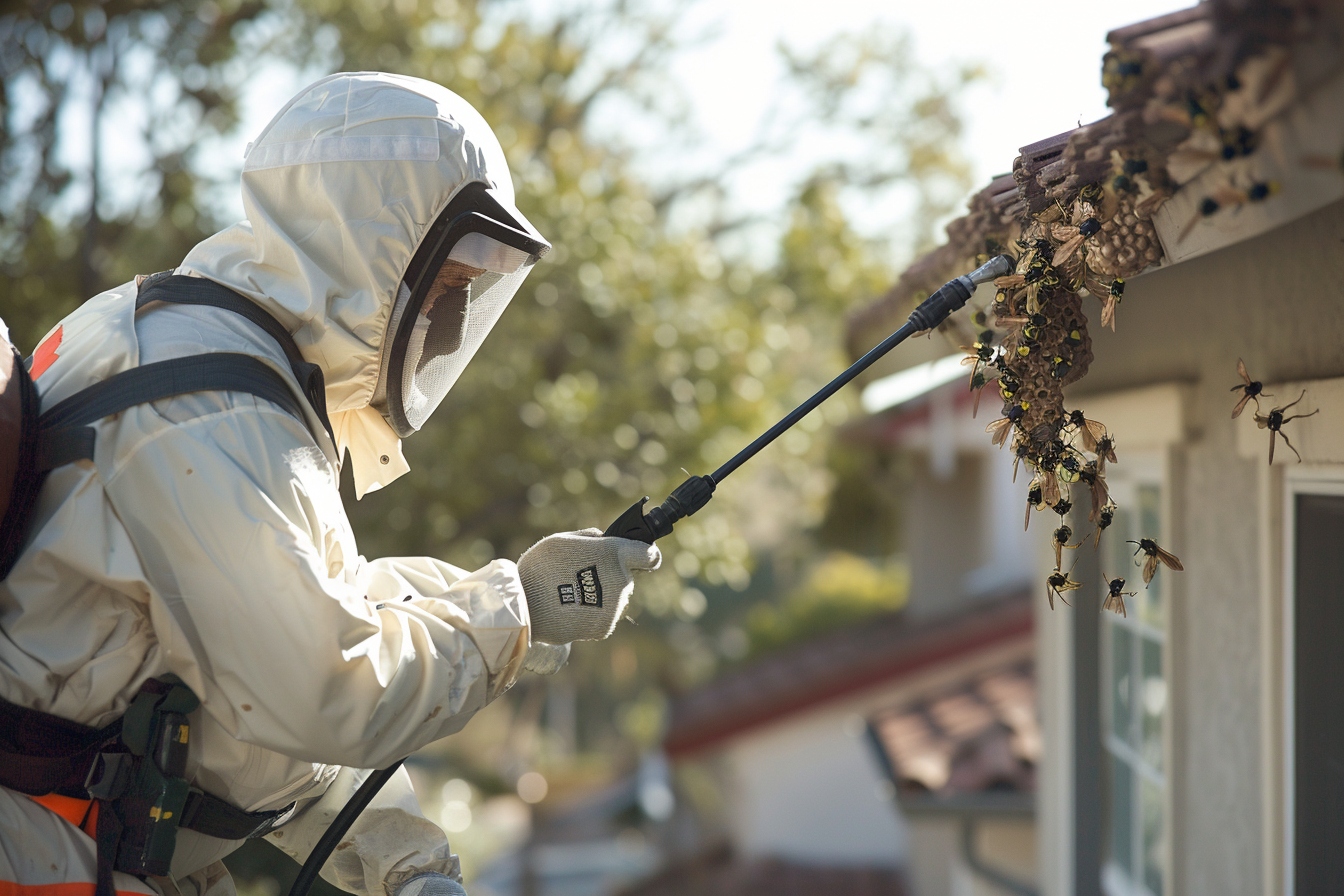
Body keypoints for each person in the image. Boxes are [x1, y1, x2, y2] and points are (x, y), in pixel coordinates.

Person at [0, 72, 660, 896]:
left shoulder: (202, 352)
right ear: (368, 243)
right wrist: (515, 612)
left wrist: (404, 860)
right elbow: (325, 686)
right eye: (452, 284)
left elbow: (268, 665)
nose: (452, 324)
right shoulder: (210, 406)